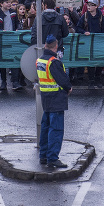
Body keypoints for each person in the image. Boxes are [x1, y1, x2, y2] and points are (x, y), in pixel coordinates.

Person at [37, 35, 72, 168]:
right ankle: (52, 158)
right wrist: (68, 88)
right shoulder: (54, 62)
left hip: (46, 99)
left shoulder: (40, 60)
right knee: (56, 130)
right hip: (56, 99)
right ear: (56, 46)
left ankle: (44, 156)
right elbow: (63, 80)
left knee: (45, 128)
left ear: (45, 45)